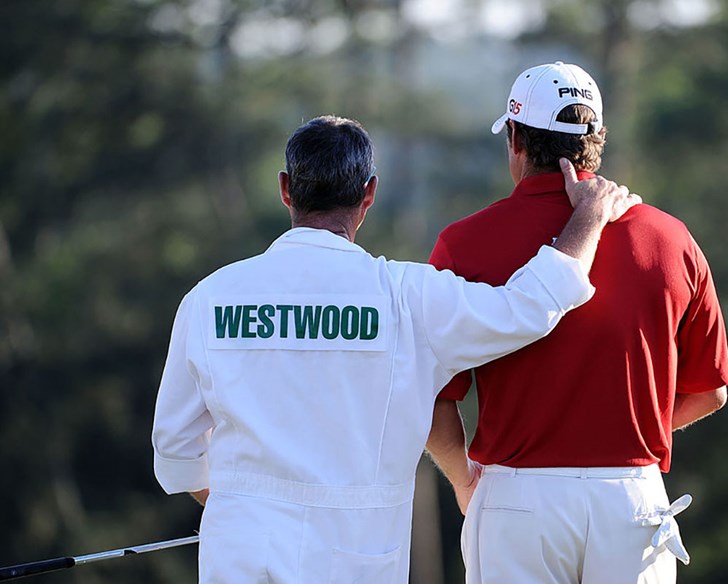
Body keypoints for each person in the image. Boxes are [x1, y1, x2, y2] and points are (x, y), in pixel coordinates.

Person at [151, 114, 639, 583]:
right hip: (356, 558)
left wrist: (246, 508)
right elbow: (530, 307)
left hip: (239, 554)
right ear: (370, 193)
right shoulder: (407, 296)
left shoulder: (209, 298)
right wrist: (590, 216)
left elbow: (175, 449)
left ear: (285, 189)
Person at [425, 62, 728, 584]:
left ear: (517, 139)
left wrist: (463, 478)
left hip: (515, 500)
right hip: (633, 504)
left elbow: (434, 395)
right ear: (597, 142)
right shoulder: (672, 239)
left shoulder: (464, 244)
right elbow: (710, 392)